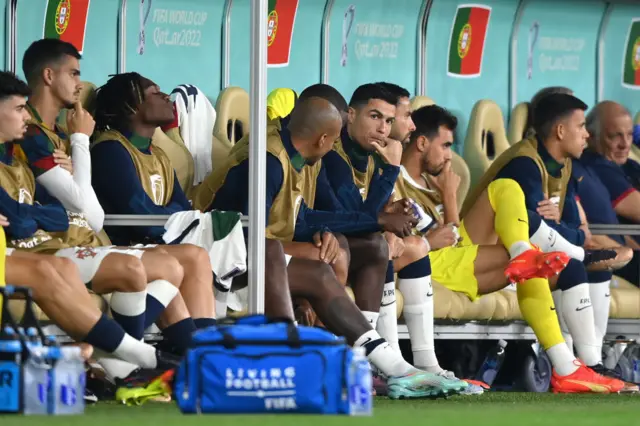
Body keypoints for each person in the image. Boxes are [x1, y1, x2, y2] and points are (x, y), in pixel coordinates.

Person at [208, 92, 468, 399]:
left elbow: (301, 216)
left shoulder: (305, 157)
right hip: (222, 258)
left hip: (266, 252)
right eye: (333, 142)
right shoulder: (267, 162)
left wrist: (325, 228)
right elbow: (249, 237)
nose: (334, 149)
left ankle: (371, 363)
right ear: (323, 139)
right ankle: (378, 364)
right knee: (322, 263)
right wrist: (372, 217)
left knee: (365, 248)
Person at [401, 104, 629, 393]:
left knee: (510, 197)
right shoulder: (395, 177)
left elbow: (452, 236)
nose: (449, 155)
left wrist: (447, 198)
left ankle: (575, 366)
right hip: (425, 266)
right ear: (421, 143)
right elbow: (431, 241)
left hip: (452, 256)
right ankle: (566, 368)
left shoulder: (432, 182)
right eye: (446, 146)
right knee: (531, 251)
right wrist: (448, 197)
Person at [19, 39, 216, 356]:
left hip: (82, 238)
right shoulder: (32, 134)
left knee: (176, 266)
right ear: (48, 75)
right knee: (167, 268)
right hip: (53, 245)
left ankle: (196, 356)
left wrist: (77, 150)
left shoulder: (61, 133)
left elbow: (86, 207)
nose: (80, 83)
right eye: (73, 73)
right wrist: (81, 141)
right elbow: (88, 211)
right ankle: (123, 360)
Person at [0, 70, 178, 373]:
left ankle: (119, 366)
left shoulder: (20, 154)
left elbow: (53, 213)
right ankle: (142, 361)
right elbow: (25, 221)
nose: (26, 117)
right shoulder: (107, 147)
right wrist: (80, 140)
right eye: (18, 109)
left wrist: (37, 214)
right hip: (31, 247)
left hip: (44, 243)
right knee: (55, 270)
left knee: (176, 263)